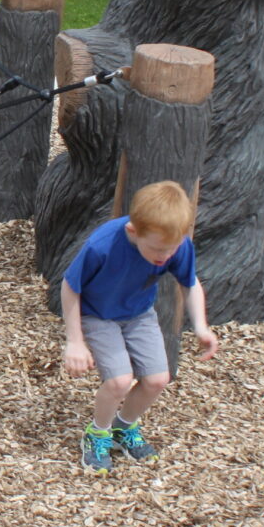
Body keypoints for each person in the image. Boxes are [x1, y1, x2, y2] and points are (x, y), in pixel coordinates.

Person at [60, 180, 218, 471]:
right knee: (119, 381)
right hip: (98, 314)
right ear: (133, 231)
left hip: (139, 313)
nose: (165, 257)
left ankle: (123, 428)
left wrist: (201, 326)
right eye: (158, 249)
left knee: (157, 379)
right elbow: (70, 287)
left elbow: (189, 283)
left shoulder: (174, 243)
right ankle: (97, 434)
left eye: (172, 249)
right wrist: (75, 341)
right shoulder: (103, 245)